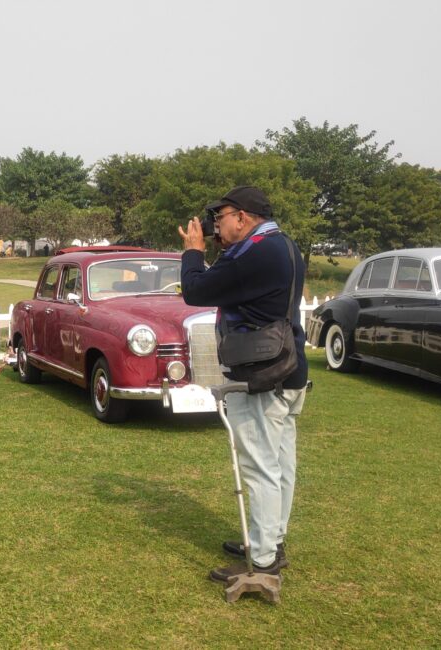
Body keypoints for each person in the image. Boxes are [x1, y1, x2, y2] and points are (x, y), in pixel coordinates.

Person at [176, 185, 309, 583]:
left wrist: (194, 251)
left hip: (262, 373)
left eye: (221, 217)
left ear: (243, 217)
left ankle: (265, 557)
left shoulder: (254, 253)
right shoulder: (282, 245)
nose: (215, 224)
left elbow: (196, 290)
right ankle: (271, 537)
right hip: (290, 369)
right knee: (281, 462)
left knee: (260, 465)